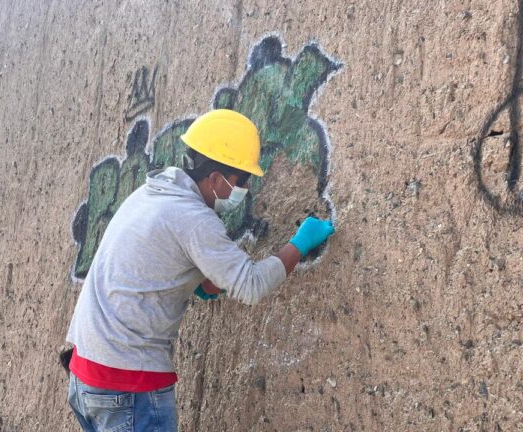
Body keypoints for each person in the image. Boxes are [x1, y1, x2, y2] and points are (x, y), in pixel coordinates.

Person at [64, 109, 335, 431]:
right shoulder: (193, 219)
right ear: (216, 179)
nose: (246, 188)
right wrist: (300, 243)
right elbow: (250, 286)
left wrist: (197, 280)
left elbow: (153, 259)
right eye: (243, 180)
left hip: (87, 377)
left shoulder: (151, 193)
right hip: (128, 385)